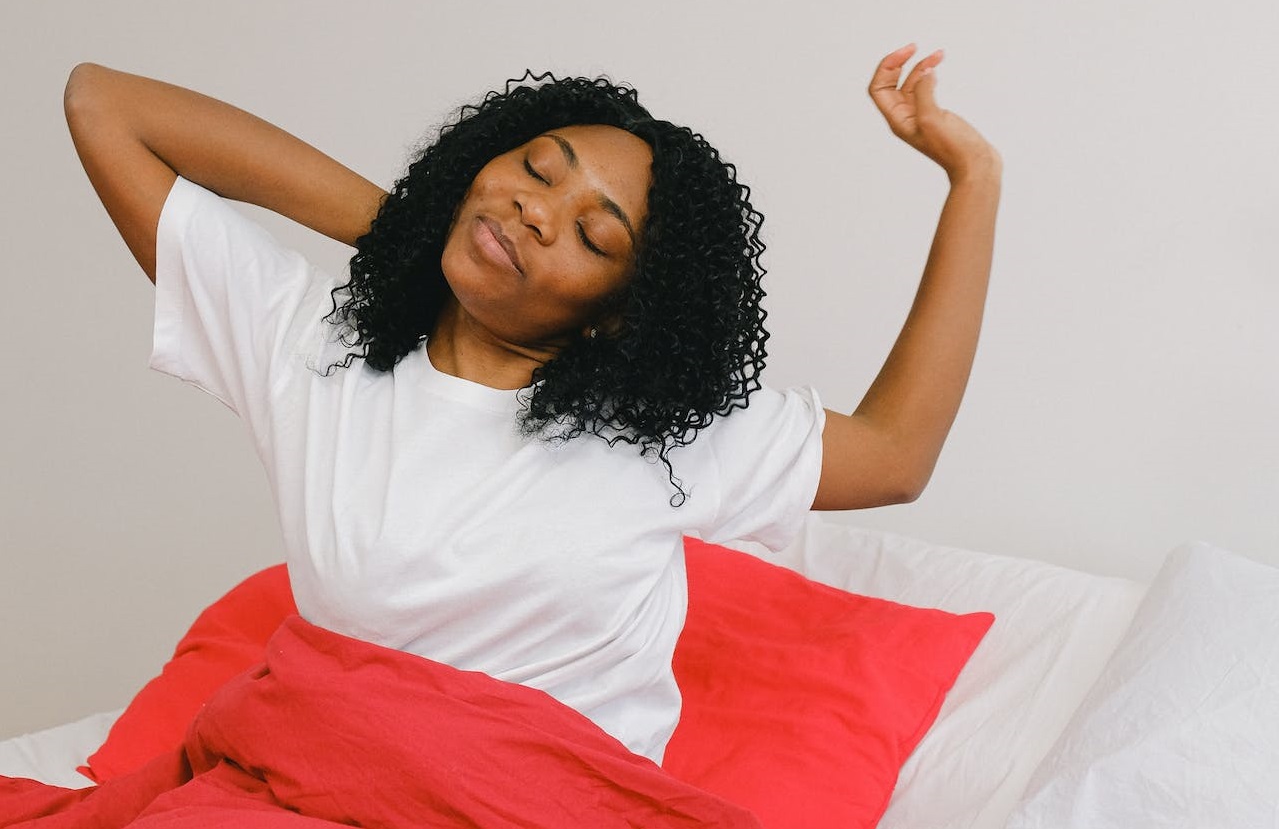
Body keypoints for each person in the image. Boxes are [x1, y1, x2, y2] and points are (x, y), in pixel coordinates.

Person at [61, 46, 1001, 764]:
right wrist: (410, 228)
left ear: (614, 314)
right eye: (537, 169)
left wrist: (973, 179)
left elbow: (895, 452)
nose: (534, 212)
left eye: (593, 235)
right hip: (332, 777)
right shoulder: (311, 346)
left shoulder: (660, 437)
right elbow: (104, 103)